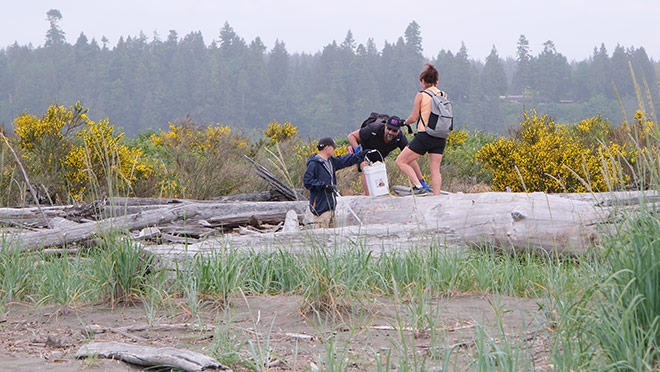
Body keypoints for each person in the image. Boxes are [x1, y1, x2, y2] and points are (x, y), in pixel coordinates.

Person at [395, 63, 448, 196]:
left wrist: (404, 122)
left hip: (425, 135)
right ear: (436, 81)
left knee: (401, 161)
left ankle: (418, 186)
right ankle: (437, 197)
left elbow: (414, 117)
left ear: (423, 81)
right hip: (440, 136)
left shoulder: (421, 95)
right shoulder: (443, 94)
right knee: (435, 170)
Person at [347, 116, 430, 195]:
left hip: (378, 155)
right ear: (385, 125)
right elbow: (351, 136)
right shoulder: (373, 128)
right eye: (389, 129)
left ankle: (371, 194)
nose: (390, 132)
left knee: (377, 174)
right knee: (365, 167)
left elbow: (410, 159)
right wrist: (358, 150)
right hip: (364, 150)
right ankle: (368, 196)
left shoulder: (400, 138)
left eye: (394, 131)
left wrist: (421, 181)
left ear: (399, 130)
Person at [303, 137, 364, 228]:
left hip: (331, 208)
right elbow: (307, 181)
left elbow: (344, 160)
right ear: (327, 148)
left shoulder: (331, 161)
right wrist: (324, 186)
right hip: (320, 210)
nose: (335, 150)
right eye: (333, 148)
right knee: (322, 237)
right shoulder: (314, 164)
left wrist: (361, 155)